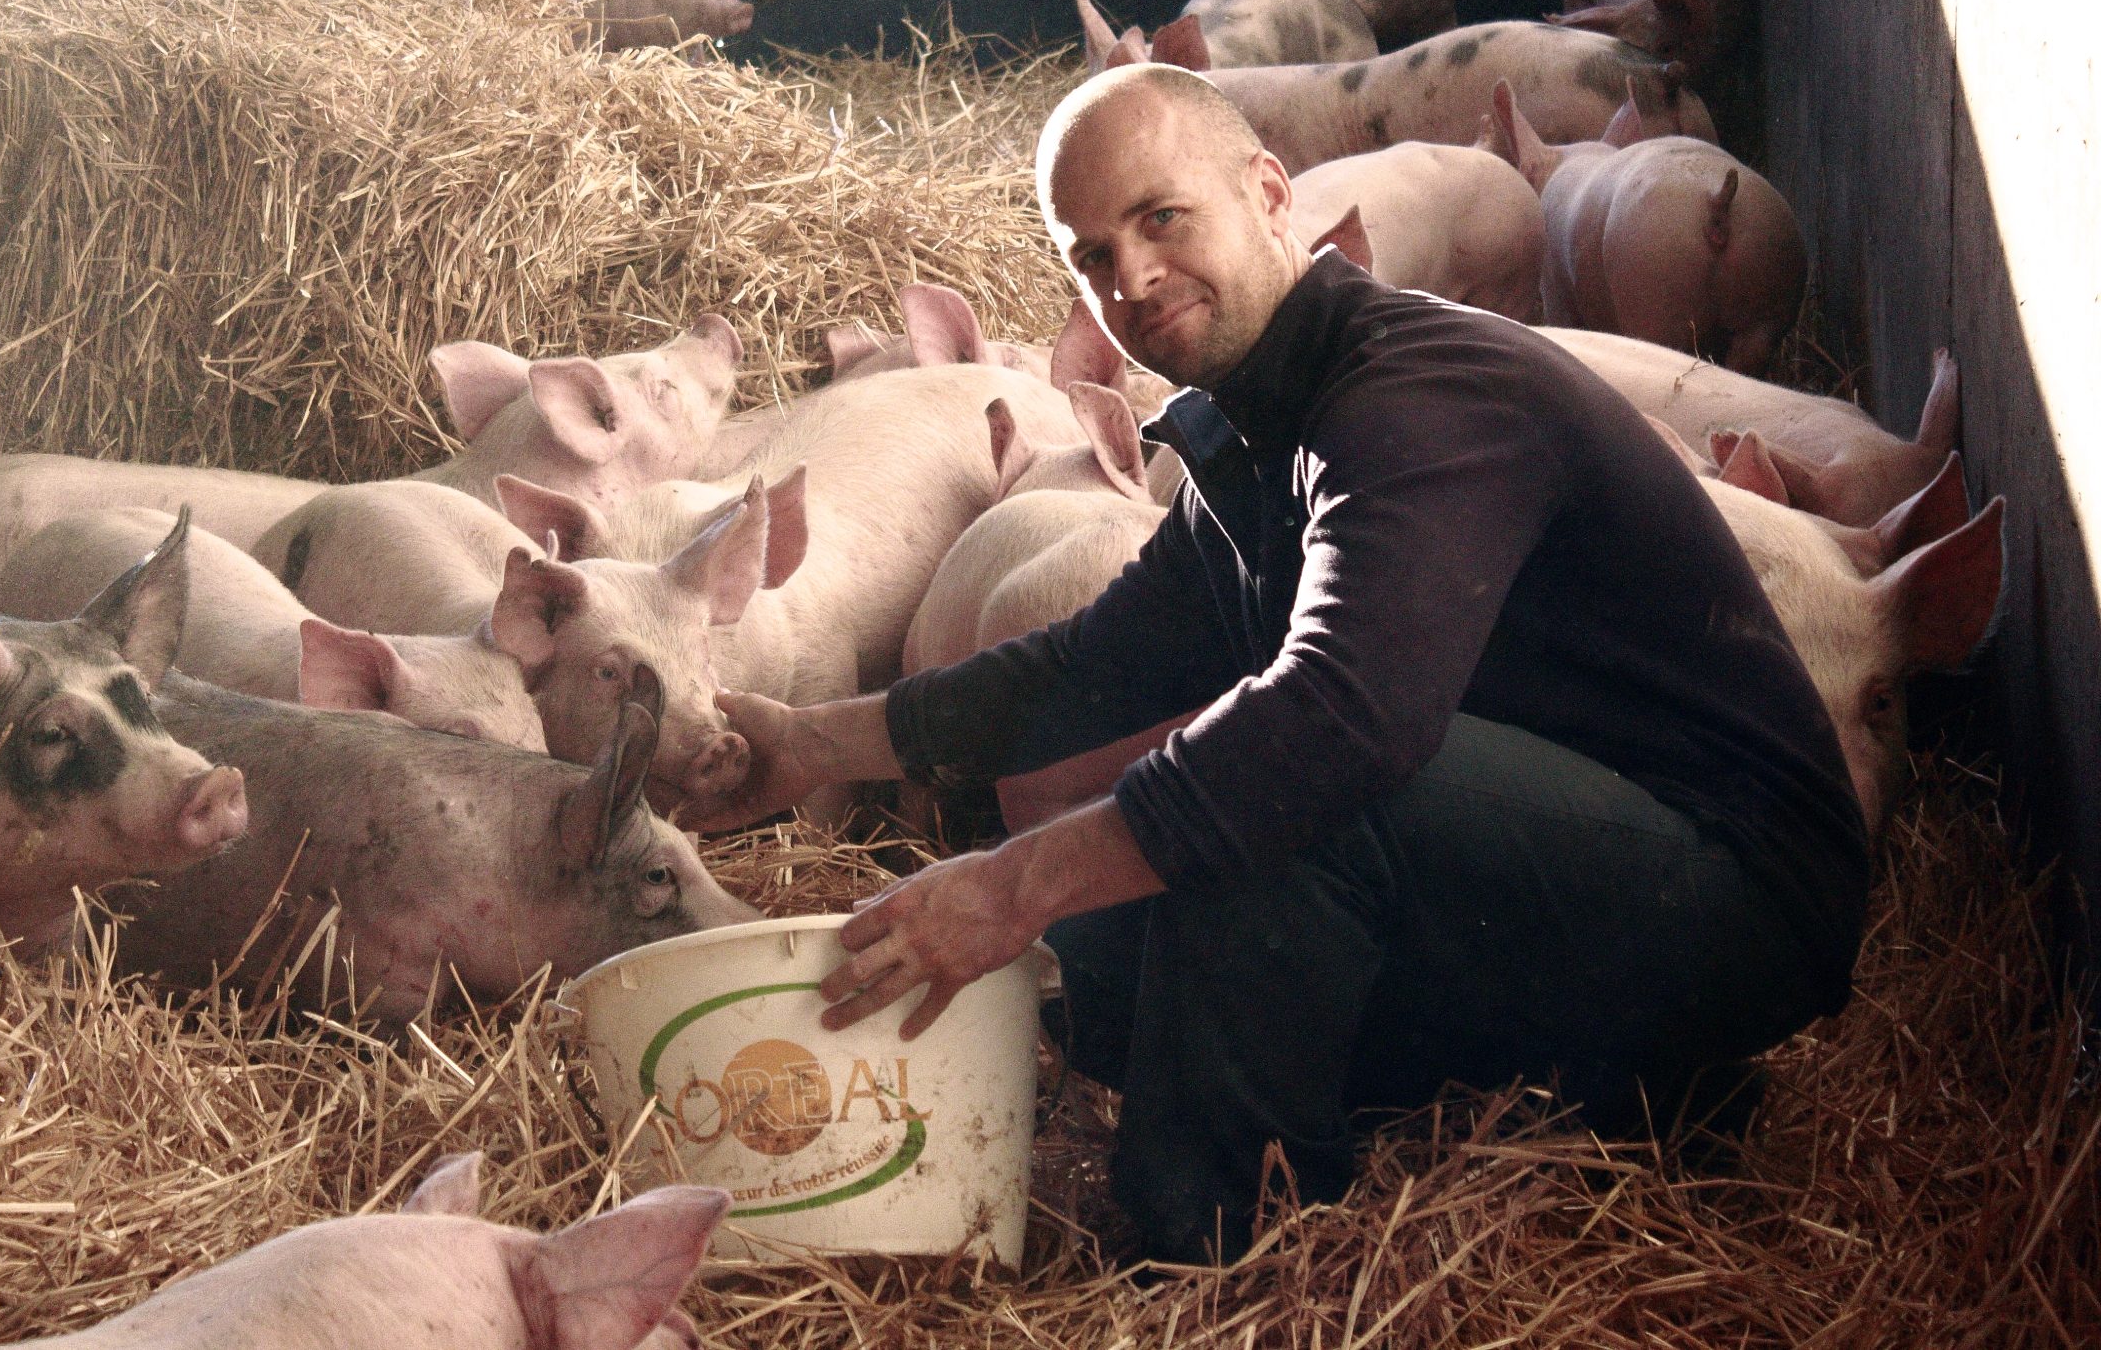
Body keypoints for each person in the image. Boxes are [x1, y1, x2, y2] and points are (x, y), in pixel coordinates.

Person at [681, 64, 1870, 1263]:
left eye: (1161, 218)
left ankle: (1215, 1262)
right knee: (1097, 979)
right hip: (1558, 853)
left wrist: (1007, 884)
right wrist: (814, 741)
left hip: (1735, 891)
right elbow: (1097, 663)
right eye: (1091, 258)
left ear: (1267, 193)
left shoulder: (1411, 398)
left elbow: (1345, 723)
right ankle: (1621, 1085)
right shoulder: (1268, 422)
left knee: (1280, 801)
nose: (1131, 281)